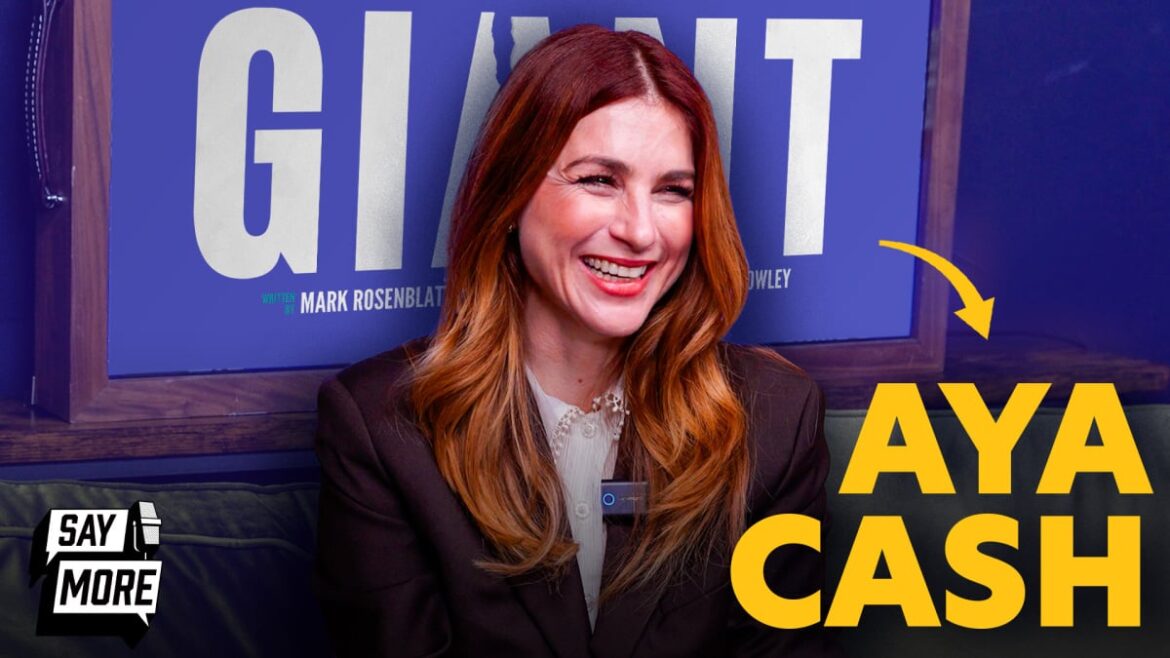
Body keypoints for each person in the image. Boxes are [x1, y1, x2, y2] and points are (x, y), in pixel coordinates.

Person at [313, 24, 836, 657]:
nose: (640, 231)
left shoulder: (776, 418)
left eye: (673, 190)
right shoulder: (381, 426)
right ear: (511, 193)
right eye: (598, 180)